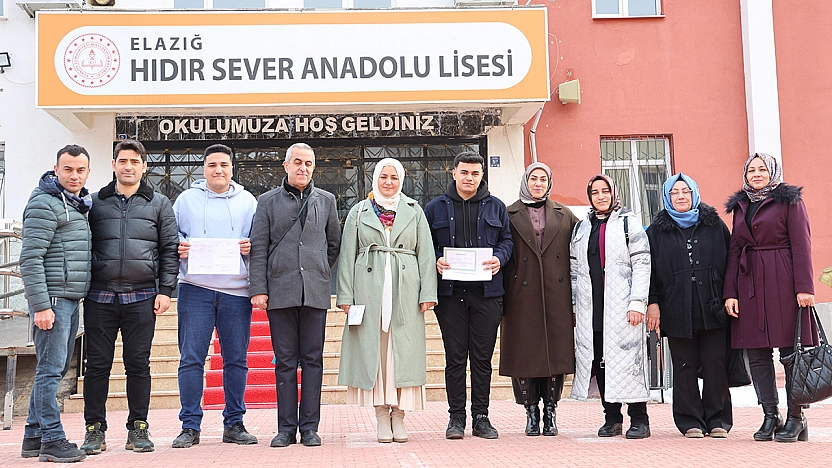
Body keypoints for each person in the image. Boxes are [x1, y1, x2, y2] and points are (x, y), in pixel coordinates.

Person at [80, 140, 179, 454]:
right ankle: (94, 430)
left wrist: (166, 290)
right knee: (97, 366)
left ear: (143, 166)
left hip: (142, 297)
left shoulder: (159, 203)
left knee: (138, 365)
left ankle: (138, 427)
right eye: (122, 161)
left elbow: (169, 251)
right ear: (113, 165)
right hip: (99, 297)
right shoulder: (94, 202)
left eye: (135, 161)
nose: (128, 166)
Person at [336, 158, 438, 443]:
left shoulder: (414, 211)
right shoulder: (358, 212)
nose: (389, 182)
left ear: (401, 180)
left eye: (394, 177)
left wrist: (428, 293)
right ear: (375, 179)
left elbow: (426, 254)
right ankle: (382, 413)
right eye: (383, 177)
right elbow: (347, 255)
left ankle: (400, 415)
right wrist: (346, 295)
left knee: (402, 351)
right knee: (375, 352)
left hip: (406, 289)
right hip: (369, 289)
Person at [249, 142, 341, 448]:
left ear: (315, 167)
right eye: (297, 162)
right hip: (280, 292)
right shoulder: (267, 202)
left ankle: (310, 427)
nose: (303, 168)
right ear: (286, 166)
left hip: (314, 293)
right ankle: (286, 428)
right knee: (285, 361)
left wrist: (315, 270)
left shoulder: (326, 200)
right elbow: (259, 247)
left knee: (313, 360)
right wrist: (259, 288)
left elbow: (333, 244)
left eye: (309, 163)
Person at [724, 153, 816, 443]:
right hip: (749, 281)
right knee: (757, 354)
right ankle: (770, 415)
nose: (757, 174)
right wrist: (730, 292)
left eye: (762, 169)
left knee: (792, 353)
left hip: (784, 279)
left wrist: (805, 287)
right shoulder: (741, 206)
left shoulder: (790, 200)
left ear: (772, 171)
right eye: (751, 170)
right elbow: (735, 249)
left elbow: (802, 244)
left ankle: (796, 417)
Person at [171, 144, 259, 448]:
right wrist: (179, 246)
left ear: (232, 168)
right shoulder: (185, 201)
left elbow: (260, 241)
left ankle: (234, 423)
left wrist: (252, 247)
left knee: (236, 360)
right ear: (203, 169)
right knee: (191, 359)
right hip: (195, 289)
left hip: (236, 292)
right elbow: (172, 236)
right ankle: (190, 425)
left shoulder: (248, 202)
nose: (218, 170)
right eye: (211, 165)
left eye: (223, 164)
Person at [424, 151, 513, 440]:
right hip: (450, 295)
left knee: (482, 359)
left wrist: (500, 257)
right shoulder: (435, 208)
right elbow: (424, 245)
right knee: (455, 358)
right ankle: (456, 418)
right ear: (454, 173)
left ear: (481, 175)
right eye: (464, 172)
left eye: (475, 173)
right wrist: (436, 259)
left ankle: (482, 417)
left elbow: (507, 240)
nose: (469, 178)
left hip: (487, 294)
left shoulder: (497, 207)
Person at [19, 145, 92, 462]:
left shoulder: (73, 204)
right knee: (50, 371)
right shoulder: (44, 202)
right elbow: (30, 259)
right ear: (56, 169)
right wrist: (41, 305)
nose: (74, 175)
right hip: (52, 299)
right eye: (68, 169)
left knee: (56, 368)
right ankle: (52, 439)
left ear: (87, 171)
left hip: (69, 298)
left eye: (80, 170)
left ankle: (33, 437)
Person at [645, 173, 732, 438]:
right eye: (675, 192)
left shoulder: (715, 225)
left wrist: (730, 295)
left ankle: (718, 420)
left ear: (694, 194)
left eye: (685, 191)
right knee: (684, 365)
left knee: (715, 362)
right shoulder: (655, 232)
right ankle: (690, 421)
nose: (681, 196)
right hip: (676, 307)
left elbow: (731, 263)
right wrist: (653, 303)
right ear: (667, 197)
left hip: (712, 306)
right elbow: (647, 271)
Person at [570, 174, 652, 439]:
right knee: (601, 361)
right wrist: (574, 305)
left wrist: (638, 302)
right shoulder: (582, 228)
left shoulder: (629, 223)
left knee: (630, 361)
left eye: (605, 191)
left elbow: (642, 264)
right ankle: (612, 417)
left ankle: (639, 419)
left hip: (624, 307)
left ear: (614, 193)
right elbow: (574, 270)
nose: (601, 196)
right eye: (595, 192)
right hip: (592, 308)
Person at [499, 163, 578, 437]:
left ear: (549, 182)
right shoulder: (508, 213)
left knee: (554, 354)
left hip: (556, 293)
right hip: (521, 293)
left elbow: (579, 249)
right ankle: (531, 411)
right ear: (525, 181)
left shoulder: (564, 214)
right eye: (533, 178)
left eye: (543, 178)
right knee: (526, 354)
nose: (538, 183)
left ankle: (550, 411)